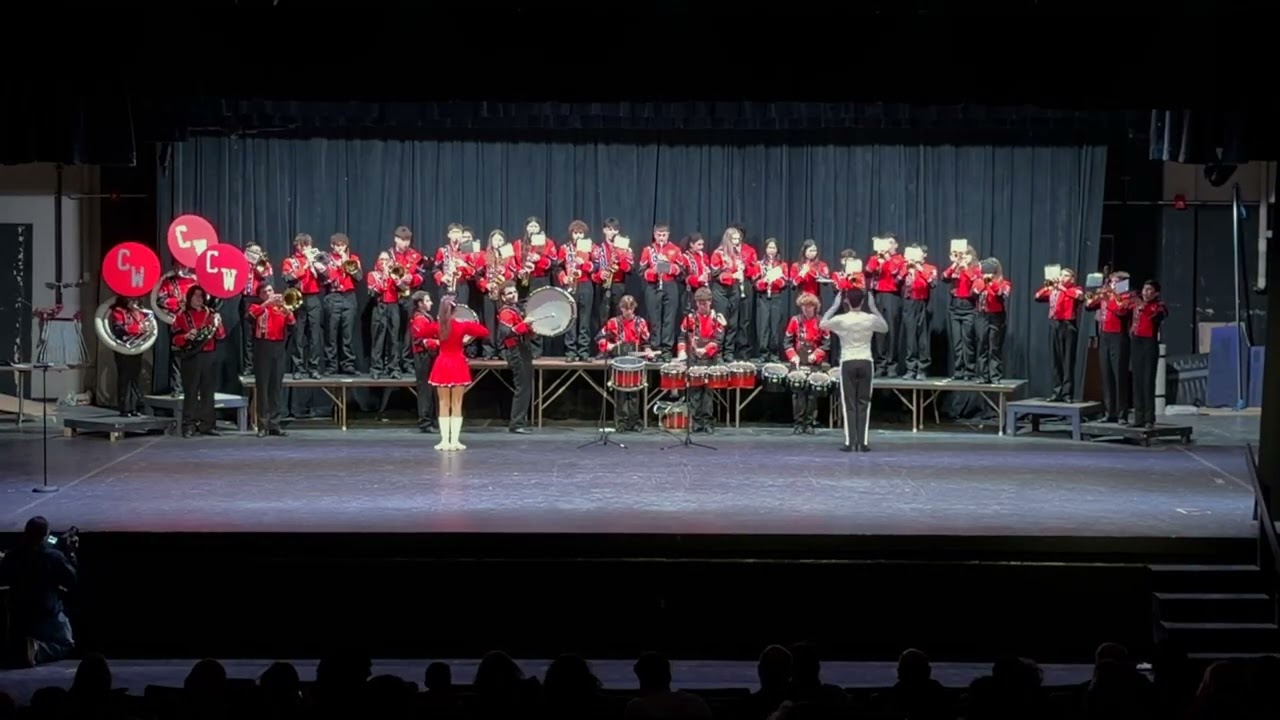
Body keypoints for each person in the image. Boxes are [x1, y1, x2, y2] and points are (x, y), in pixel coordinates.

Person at [0, 517, 78, 666]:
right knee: (66, 645)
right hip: (46, 614)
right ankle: (37, 650)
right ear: (46, 535)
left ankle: (19, 646)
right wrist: (71, 555)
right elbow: (72, 580)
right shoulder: (54, 557)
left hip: (19, 616)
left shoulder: (12, 557)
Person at [820, 287, 888, 452]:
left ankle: (850, 442)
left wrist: (834, 306)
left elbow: (822, 324)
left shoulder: (841, 320)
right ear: (863, 302)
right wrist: (873, 308)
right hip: (866, 361)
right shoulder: (870, 318)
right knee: (864, 402)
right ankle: (862, 443)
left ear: (846, 301)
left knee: (849, 403)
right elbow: (885, 328)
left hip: (848, 361)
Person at [428, 295, 489, 450]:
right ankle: (455, 441)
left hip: (442, 364)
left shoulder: (436, 326)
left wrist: (434, 340)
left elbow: (419, 332)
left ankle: (444, 441)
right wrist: (466, 335)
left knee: (443, 403)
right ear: (454, 311)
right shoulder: (461, 326)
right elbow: (484, 331)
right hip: (457, 364)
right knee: (457, 404)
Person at [171, 285, 227, 438]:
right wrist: (186, 336)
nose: (198, 299)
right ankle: (189, 425)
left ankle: (208, 425)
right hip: (191, 357)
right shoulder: (182, 316)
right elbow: (175, 340)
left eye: (201, 296)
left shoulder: (211, 315)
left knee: (208, 392)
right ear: (189, 298)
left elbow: (221, 336)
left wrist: (219, 323)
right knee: (191, 392)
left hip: (209, 356)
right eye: (195, 296)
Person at [597, 294, 653, 432]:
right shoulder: (613, 323)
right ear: (620, 308)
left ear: (634, 308)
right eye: (625, 308)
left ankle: (635, 422)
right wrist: (607, 346)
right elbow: (600, 338)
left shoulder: (640, 323)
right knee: (621, 394)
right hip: (619, 361)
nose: (628, 311)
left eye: (630, 308)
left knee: (634, 394)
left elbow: (646, 343)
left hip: (635, 362)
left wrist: (648, 351)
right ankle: (621, 422)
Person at [247, 284, 294, 437]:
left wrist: (288, 310)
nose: (269, 294)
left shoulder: (281, 308)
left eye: (271, 291)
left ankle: (275, 423)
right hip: (263, 347)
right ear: (260, 295)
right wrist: (266, 303)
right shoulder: (256, 306)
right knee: (263, 387)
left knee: (276, 387)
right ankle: (262, 425)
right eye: (265, 292)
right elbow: (250, 317)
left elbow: (292, 324)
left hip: (279, 347)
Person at [677, 287, 726, 434]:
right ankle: (696, 422)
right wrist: (681, 352)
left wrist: (705, 350)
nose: (701, 306)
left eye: (704, 303)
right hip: (694, 359)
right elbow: (681, 337)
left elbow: (718, 341)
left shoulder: (718, 319)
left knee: (708, 393)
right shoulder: (690, 318)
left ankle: (708, 422)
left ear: (710, 302)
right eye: (699, 303)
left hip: (710, 359)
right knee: (695, 392)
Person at [1087, 271, 1133, 423]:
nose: (1111, 284)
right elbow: (1090, 305)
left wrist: (1110, 297)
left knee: (1119, 376)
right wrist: (1094, 296)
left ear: (1122, 283)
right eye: (1110, 281)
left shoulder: (1127, 296)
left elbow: (1121, 311)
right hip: (1105, 336)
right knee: (1106, 376)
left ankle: (1122, 414)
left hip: (1119, 337)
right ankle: (1109, 412)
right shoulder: (1106, 295)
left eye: (1114, 282)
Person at [1035, 267, 1086, 401]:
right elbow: (1038, 296)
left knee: (1068, 360)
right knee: (1056, 360)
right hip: (1055, 324)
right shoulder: (1054, 290)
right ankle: (1057, 391)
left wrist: (1062, 288)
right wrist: (1047, 287)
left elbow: (1079, 297)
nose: (1062, 278)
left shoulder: (1076, 289)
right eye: (1061, 275)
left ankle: (1067, 393)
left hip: (1068, 325)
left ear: (1072, 279)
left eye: (1065, 275)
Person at [280, 233, 326, 379]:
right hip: (297, 298)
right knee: (298, 336)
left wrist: (317, 267)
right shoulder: (290, 261)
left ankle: (314, 367)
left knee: (315, 335)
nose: (306, 248)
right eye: (303, 245)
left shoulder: (317, 258)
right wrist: (305, 265)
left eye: (308, 245)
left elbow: (327, 278)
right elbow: (288, 278)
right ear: (297, 246)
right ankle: (298, 368)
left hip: (313, 298)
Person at [784, 292, 831, 434]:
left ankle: (809, 422)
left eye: (809, 306)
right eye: (804, 306)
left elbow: (827, 344)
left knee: (812, 394)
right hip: (798, 359)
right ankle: (798, 423)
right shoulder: (795, 320)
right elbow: (787, 342)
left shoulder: (821, 322)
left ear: (815, 307)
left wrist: (817, 355)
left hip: (813, 360)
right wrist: (793, 356)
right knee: (798, 393)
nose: (806, 309)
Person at [367, 251, 418, 379]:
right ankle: (376, 368)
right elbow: (372, 292)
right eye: (381, 260)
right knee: (378, 338)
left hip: (394, 306)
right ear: (377, 262)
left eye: (386, 260)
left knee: (394, 338)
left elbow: (404, 290)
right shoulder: (372, 274)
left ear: (390, 261)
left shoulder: (395, 273)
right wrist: (383, 277)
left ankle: (393, 368)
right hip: (379, 306)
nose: (384, 262)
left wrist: (397, 280)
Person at [641, 223, 684, 359]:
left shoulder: (675, 250)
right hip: (653, 286)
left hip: (670, 285)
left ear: (668, 235)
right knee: (654, 319)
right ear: (654, 235)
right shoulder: (648, 250)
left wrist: (669, 267)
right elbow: (641, 271)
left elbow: (683, 271)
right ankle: (655, 349)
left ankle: (666, 350)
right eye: (659, 235)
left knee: (669, 319)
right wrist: (653, 271)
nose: (661, 238)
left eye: (664, 235)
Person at [497, 281, 536, 434]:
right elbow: (506, 333)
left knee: (526, 387)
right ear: (503, 297)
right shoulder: (506, 312)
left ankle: (520, 421)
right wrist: (524, 325)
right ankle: (516, 424)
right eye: (509, 293)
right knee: (522, 387)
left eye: (514, 292)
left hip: (523, 349)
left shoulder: (516, 310)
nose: (513, 295)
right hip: (515, 351)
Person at [155, 261, 197, 396]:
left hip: (194, 322)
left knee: (194, 357)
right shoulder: (168, 281)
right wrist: (178, 303)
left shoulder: (194, 280)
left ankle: (192, 389)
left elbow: (204, 299)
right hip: (176, 322)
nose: (182, 267)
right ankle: (177, 389)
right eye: (178, 265)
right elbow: (160, 300)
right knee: (177, 356)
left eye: (184, 265)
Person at [865, 233, 905, 377]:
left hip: (892, 296)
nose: (887, 246)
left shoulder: (899, 259)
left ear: (895, 245)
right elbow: (867, 272)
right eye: (885, 243)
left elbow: (897, 274)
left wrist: (887, 259)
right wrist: (878, 259)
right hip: (878, 295)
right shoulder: (875, 258)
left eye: (890, 243)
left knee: (892, 331)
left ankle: (892, 365)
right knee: (879, 331)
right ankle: (880, 364)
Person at [1129, 280, 1167, 428]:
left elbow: (1156, 315)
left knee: (1148, 381)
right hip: (1136, 342)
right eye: (1144, 289)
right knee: (1137, 380)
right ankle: (1138, 417)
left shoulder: (1159, 306)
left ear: (1156, 293)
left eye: (1150, 290)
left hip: (1149, 343)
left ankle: (1149, 418)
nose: (1146, 292)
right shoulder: (1136, 304)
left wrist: (1143, 305)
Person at [390, 225, 427, 375]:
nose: (406, 243)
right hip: (392, 297)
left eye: (408, 240)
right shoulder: (389, 255)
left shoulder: (416, 256)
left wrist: (412, 278)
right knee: (394, 332)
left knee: (408, 333)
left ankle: (407, 362)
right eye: (403, 240)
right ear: (396, 239)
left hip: (409, 296)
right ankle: (393, 364)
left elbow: (422, 275)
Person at [557, 220, 596, 361]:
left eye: (581, 233)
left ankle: (584, 352)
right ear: (571, 234)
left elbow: (597, 266)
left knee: (585, 320)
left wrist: (584, 264)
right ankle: (571, 352)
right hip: (570, 285)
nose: (578, 235)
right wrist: (563, 277)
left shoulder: (590, 246)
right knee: (570, 318)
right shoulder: (564, 248)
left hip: (585, 284)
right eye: (575, 233)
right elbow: (558, 267)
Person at [323, 233, 361, 375]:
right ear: (332, 246)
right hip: (333, 296)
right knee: (331, 334)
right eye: (337, 245)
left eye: (342, 245)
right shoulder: (326, 258)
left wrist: (347, 262)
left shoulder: (353, 259)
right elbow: (324, 279)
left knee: (347, 334)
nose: (340, 248)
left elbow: (359, 277)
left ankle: (348, 364)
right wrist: (337, 267)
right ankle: (331, 365)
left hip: (349, 297)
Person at [942, 242, 980, 381]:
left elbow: (976, 281)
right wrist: (955, 265)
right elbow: (944, 277)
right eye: (961, 255)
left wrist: (966, 269)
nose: (963, 258)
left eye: (966, 255)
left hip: (969, 307)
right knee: (957, 342)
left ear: (971, 256)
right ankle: (958, 370)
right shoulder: (956, 268)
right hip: (955, 306)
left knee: (968, 341)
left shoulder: (975, 269)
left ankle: (970, 371)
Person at [710, 227, 748, 360]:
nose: (737, 242)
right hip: (721, 290)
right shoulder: (718, 253)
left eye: (738, 239)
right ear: (727, 239)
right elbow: (715, 274)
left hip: (734, 290)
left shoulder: (738, 254)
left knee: (733, 322)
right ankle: (718, 352)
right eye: (734, 239)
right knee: (721, 322)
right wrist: (732, 275)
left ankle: (729, 352)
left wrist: (741, 269)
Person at [899, 244, 936, 380]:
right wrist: (907, 268)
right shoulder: (904, 267)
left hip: (923, 303)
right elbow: (897, 280)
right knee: (910, 337)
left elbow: (933, 283)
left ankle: (923, 369)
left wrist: (919, 269)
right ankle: (911, 368)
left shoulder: (929, 268)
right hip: (909, 303)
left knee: (923, 338)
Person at [973, 258, 1012, 384]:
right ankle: (982, 376)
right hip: (981, 315)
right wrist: (982, 284)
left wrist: (991, 284)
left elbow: (1002, 295)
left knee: (994, 347)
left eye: (989, 273)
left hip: (996, 316)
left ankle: (995, 376)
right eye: (984, 273)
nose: (986, 275)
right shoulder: (978, 282)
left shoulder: (1004, 283)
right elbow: (973, 294)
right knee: (982, 345)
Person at [107, 296, 147, 417]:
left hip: (136, 348)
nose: (134, 302)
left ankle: (135, 407)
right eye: (131, 300)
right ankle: (124, 408)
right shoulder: (119, 311)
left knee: (135, 377)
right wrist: (138, 329)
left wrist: (144, 329)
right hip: (123, 348)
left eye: (135, 300)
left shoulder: (140, 312)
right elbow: (119, 328)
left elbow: (145, 326)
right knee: (124, 377)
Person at [591, 218, 633, 333]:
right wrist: (600, 274)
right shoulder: (597, 249)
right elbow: (592, 271)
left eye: (615, 230)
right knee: (602, 317)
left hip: (619, 285)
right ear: (604, 230)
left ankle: (618, 345)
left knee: (619, 316)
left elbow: (630, 269)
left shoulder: (626, 249)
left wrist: (621, 258)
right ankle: (603, 346)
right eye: (610, 229)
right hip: (602, 286)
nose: (613, 232)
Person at [408, 290, 440, 434]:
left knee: (430, 388)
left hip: (429, 356)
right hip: (423, 357)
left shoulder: (426, 317)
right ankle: (425, 422)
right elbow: (422, 340)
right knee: (425, 390)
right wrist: (440, 342)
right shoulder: (419, 319)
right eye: (427, 301)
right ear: (420, 304)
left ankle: (431, 420)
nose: (431, 303)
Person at [477, 230, 512, 359]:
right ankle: (489, 350)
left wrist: (505, 273)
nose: (498, 242)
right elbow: (478, 275)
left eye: (500, 240)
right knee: (489, 322)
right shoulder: (485, 256)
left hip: (503, 293)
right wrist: (486, 284)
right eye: (495, 240)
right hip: (489, 292)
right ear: (491, 241)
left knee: (504, 322)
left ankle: (502, 349)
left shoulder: (508, 255)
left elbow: (514, 274)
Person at [753, 238, 789, 362]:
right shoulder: (759, 264)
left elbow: (785, 283)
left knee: (775, 326)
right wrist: (763, 282)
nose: (771, 250)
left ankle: (774, 353)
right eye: (769, 248)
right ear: (765, 249)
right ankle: (763, 353)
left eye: (774, 248)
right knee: (763, 326)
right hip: (763, 297)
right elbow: (755, 282)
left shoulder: (782, 265)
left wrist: (776, 280)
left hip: (776, 296)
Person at [240, 243, 273, 373]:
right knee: (248, 336)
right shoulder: (242, 264)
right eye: (252, 252)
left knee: (262, 334)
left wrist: (260, 269)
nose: (255, 254)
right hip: (247, 300)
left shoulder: (265, 264)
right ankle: (249, 366)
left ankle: (262, 366)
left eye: (258, 252)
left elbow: (269, 282)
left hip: (261, 300)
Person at [433, 222, 475, 306]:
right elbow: (435, 269)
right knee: (446, 313)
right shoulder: (442, 250)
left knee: (460, 313)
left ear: (461, 235)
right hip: (446, 285)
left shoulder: (468, 251)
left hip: (461, 286)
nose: (456, 235)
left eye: (458, 232)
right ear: (449, 235)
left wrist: (464, 265)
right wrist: (442, 277)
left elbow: (474, 271)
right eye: (453, 232)